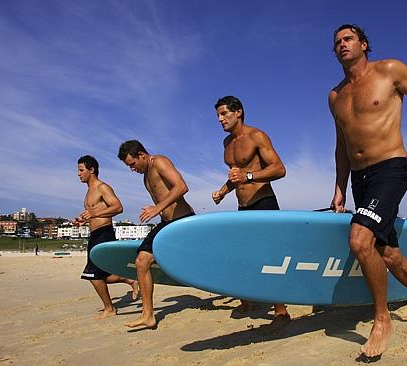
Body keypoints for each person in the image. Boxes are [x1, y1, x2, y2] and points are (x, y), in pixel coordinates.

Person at [328, 24, 407, 359]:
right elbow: (341, 146)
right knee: (389, 252)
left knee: (360, 240)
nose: (342, 45)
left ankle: (382, 320)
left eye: (348, 39)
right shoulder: (335, 96)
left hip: (390, 169)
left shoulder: (389, 71)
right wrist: (339, 188)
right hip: (359, 180)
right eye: (336, 42)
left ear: (364, 44)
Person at [211, 95, 291, 325]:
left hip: (264, 203)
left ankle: (280, 308)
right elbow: (236, 176)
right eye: (218, 115)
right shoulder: (227, 143)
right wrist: (223, 191)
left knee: (270, 255)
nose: (220, 119)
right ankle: (247, 300)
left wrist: (247, 176)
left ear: (238, 112)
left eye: (224, 113)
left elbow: (279, 169)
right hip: (243, 206)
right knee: (243, 254)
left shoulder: (257, 136)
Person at [117, 140, 195, 330]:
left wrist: (157, 208)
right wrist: (159, 211)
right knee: (141, 261)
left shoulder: (159, 162)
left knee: (205, 261)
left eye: (133, 164)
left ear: (141, 155)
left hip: (182, 223)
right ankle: (148, 315)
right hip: (167, 224)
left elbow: (181, 187)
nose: (132, 169)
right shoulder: (145, 177)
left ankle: (243, 295)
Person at [74, 155, 139, 320]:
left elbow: (118, 207)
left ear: (92, 170)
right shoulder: (89, 191)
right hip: (95, 234)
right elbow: (95, 214)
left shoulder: (102, 187)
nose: (78, 174)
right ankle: (130, 279)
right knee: (102, 275)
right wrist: (83, 221)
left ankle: (109, 308)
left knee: (91, 274)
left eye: (81, 170)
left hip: (104, 233)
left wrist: (93, 213)